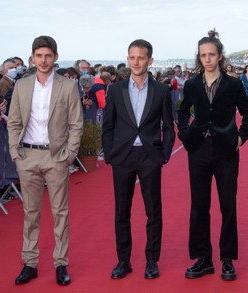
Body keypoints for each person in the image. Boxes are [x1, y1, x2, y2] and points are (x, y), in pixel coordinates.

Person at [177, 30, 248, 281]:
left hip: (226, 151)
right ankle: (203, 259)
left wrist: (241, 137)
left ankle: (227, 259)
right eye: (203, 55)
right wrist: (186, 137)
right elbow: (181, 113)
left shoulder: (233, 84)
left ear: (220, 56)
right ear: (199, 58)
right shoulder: (191, 84)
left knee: (228, 205)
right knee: (199, 205)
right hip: (198, 150)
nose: (207, 59)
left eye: (212, 54)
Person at [7, 35, 83, 287]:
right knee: (30, 212)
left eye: (48, 55)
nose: (43, 60)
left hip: (56, 157)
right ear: (32, 57)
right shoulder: (22, 86)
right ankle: (29, 263)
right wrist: (16, 154)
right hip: (27, 156)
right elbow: (14, 122)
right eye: (39, 55)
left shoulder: (68, 86)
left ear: (55, 58)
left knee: (60, 212)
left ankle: (61, 263)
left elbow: (76, 125)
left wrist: (68, 156)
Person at [102, 39, 175, 280]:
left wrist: (164, 154)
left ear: (150, 61)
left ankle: (152, 260)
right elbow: (108, 125)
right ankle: (123, 261)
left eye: (141, 57)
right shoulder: (115, 90)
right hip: (122, 157)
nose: (135, 61)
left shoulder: (162, 90)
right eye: (132, 57)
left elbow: (168, 125)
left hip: (150, 156)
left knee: (153, 211)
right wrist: (110, 154)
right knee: (121, 211)